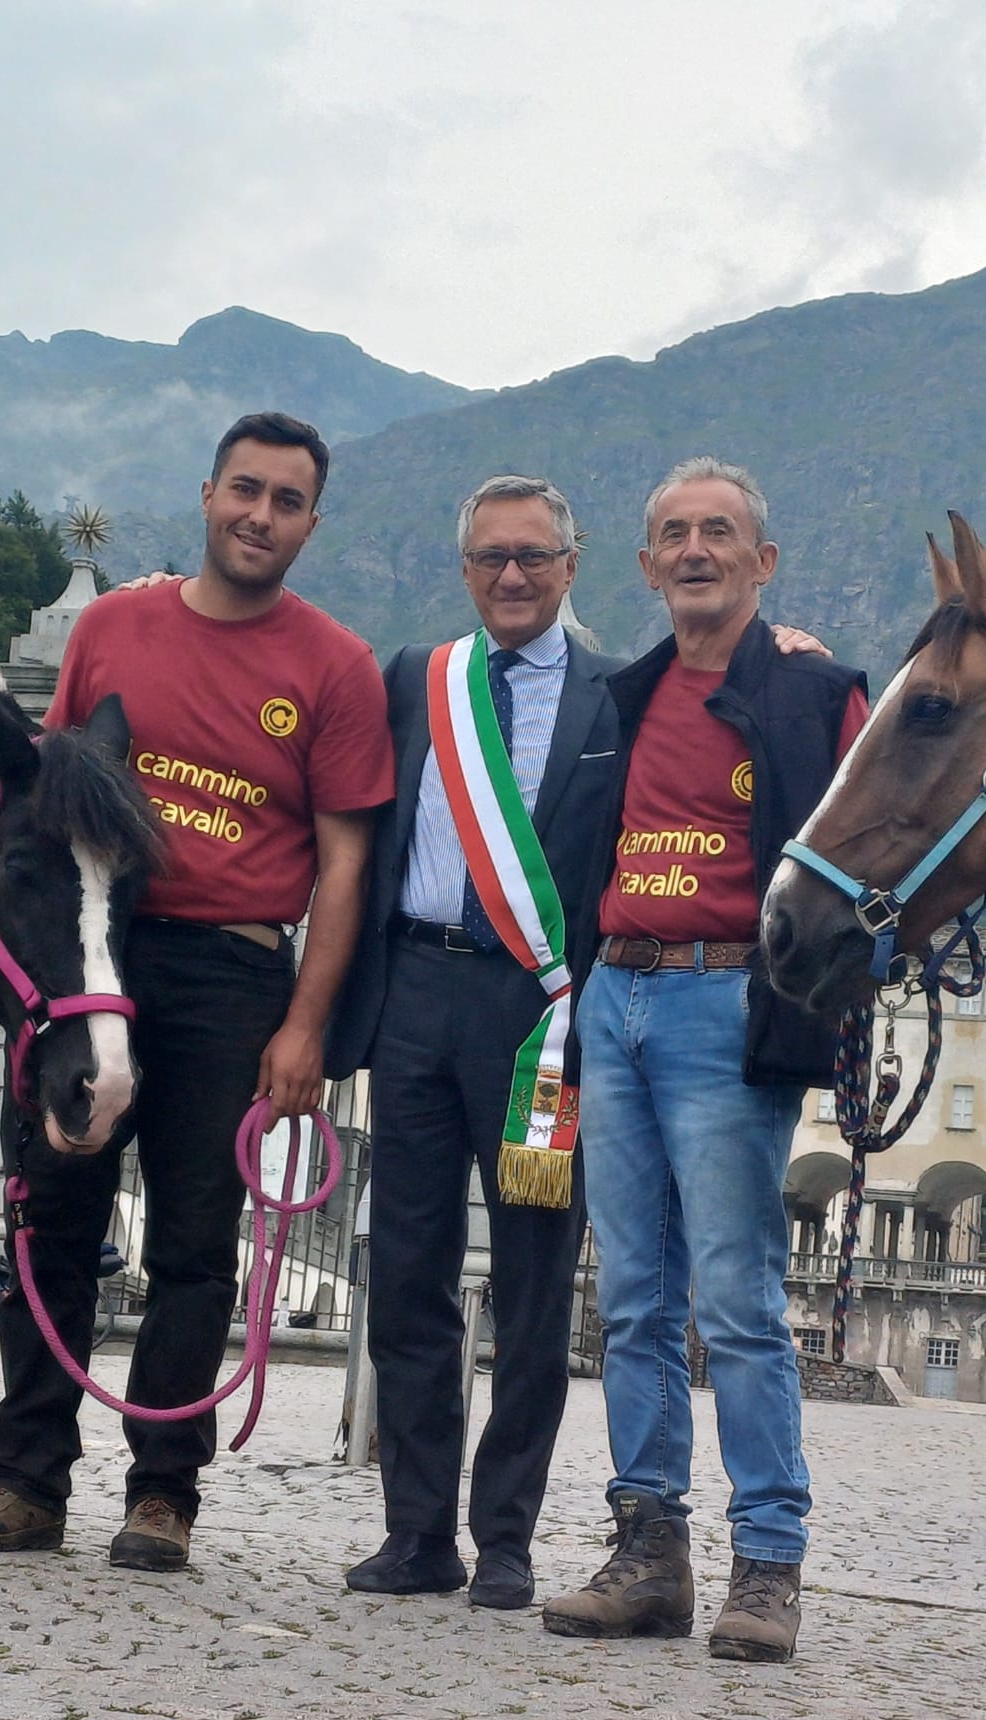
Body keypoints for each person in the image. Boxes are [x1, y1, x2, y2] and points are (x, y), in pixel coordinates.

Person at [0, 411, 392, 1572]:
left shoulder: (332, 666)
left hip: (233, 968)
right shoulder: (111, 624)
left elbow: (343, 864)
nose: (260, 515)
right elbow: (39, 786)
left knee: (195, 1242)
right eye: (245, 489)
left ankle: (161, 1492)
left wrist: (304, 1024)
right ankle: (24, 1477)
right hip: (99, 953)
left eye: (287, 500)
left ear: (310, 523)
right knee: (51, 1215)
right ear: (206, 494)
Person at [542, 457, 868, 1664]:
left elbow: (868, 842)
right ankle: (647, 1551)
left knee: (733, 1295)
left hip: (724, 1000)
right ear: (645, 565)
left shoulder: (811, 691)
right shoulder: (623, 695)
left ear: (761, 561)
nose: (694, 549)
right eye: (672, 532)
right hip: (615, 992)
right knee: (629, 1295)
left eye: (718, 532)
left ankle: (768, 1561)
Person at [327, 476, 621, 1611]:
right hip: (413, 1000)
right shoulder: (417, 680)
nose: (511, 575)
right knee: (404, 1269)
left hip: (541, 1021)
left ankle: (504, 1537)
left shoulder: (616, 695)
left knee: (536, 1277)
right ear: (464, 570)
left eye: (533, 556)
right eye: (492, 556)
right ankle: (416, 1533)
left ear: (569, 564)